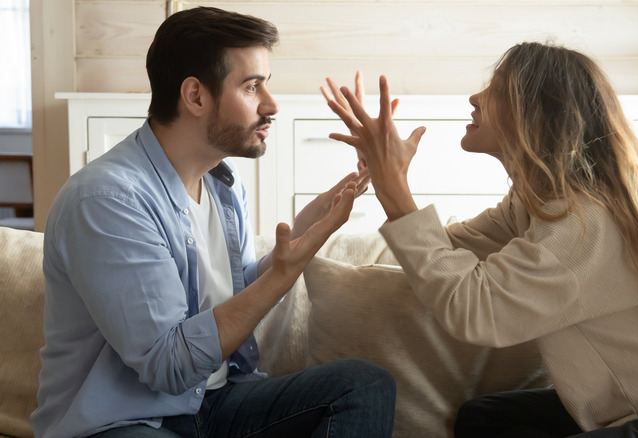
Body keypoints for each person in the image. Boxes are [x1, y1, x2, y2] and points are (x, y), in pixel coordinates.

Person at [321, 42, 638, 437]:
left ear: (535, 112)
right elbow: (445, 250)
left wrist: (395, 187)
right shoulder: (542, 201)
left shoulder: (587, 221)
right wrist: (386, 181)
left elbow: (476, 310)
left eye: (494, 90)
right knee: (483, 420)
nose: (474, 99)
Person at [32, 7, 396, 438]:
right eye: (251, 86)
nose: (271, 104)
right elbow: (168, 366)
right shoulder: (107, 200)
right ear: (196, 96)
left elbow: (228, 291)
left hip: (213, 401)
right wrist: (283, 275)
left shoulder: (222, 182)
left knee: (363, 385)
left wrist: (301, 238)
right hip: (128, 420)